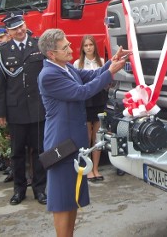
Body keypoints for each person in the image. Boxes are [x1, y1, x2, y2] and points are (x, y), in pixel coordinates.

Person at [38, 28, 128, 237]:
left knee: (72, 195)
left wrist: (110, 63)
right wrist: (110, 72)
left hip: (73, 140)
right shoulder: (49, 75)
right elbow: (82, 92)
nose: (71, 48)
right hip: (61, 143)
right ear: (52, 54)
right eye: (65, 47)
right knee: (62, 199)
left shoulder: (65, 67)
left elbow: (90, 75)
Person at [0, 12, 47, 205]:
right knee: (17, 153)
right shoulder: (1, 51)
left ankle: (40, 189)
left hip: (37, 108)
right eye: (14, 28)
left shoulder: (38, 45)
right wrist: (0, 112)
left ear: (25, 25)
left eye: (21, 25)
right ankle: (19, 189)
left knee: (39, 151)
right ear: (8, 31)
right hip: (15, 110)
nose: (19, 30)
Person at [73, 35, 108, 181]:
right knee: (87, 137)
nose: (88, 48)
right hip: (86, 102)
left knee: (97, 137)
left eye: (91, 45)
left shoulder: (102, 62)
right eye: (86, 45)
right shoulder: (77, 64)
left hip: (99, 101)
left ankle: (95, 169)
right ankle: (87, 169)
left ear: (95, 46)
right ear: (82, 48)